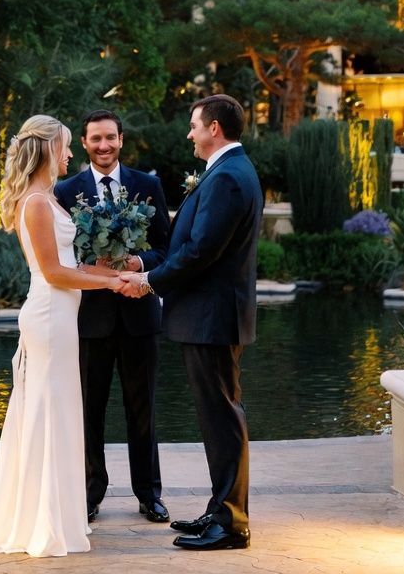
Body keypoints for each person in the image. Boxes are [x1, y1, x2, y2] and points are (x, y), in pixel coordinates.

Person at [0, 115, 124, 558]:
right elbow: (55, 273)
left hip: (61, 316)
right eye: (66, 145)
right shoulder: (36, 203)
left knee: (57, 411)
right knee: (47, 412)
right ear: (47, 149)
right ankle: (42, 521)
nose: (71, 153)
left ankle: (54, 514)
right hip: (49, 316)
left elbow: (71, 265)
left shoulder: (47, 198)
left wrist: (116, 273)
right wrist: (113, 285)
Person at [120, 94, 263, 552]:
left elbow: (201, 251)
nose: (189, 133)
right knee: (219, 417)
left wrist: (148, 281)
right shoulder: (229, 171)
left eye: (194, 125)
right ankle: (220, 511)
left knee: (222, 419)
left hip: (212, 317)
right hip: (211, 317)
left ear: (214, 129)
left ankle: (231, 524)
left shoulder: (228, 178)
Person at [54, 109, 172, 525]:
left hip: (140, 315)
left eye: (110, 137)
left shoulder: (148, 186)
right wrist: (96, 269)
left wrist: (138, 263)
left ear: (121, 139)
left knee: (144, 410)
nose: (103, 145)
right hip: (90, 319)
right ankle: (90, 493)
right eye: (95, 139)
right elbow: (62, 256)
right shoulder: (65, 191)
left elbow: (166, 249)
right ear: (85, 143)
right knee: (89, 411)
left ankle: (149, 495)